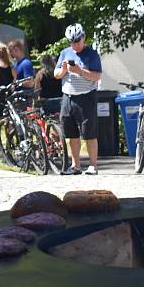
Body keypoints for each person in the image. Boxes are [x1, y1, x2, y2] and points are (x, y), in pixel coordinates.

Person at [54, 23, 102, 175]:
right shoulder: (65, 53)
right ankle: (76, 166)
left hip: (86, 96)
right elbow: (56, 75)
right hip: (68, 96)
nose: (74, 45)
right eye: (71, 42)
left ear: (83, 38)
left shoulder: (91, 54)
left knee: (89, 133)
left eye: (77, 41)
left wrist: (79, 71)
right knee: (71, 133)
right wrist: (63, 70)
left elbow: (97, 76)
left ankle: (93, 165)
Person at [0, 43, 16, 135]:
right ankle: (10, 144)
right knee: (10, 121)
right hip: (9, 97)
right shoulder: (12, 68)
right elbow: (14, 83)